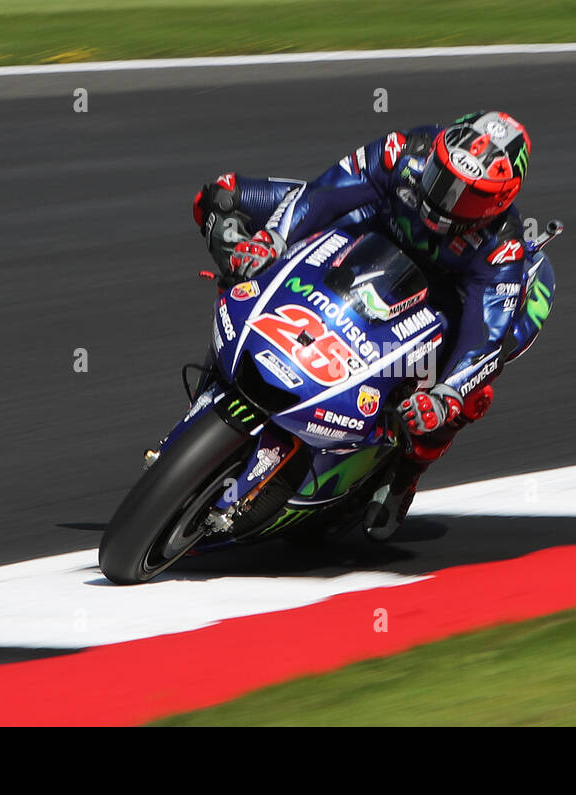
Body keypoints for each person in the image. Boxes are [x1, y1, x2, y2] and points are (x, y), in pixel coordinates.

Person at [192, 110, 557, 540]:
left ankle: (407, 473)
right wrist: (270, 240)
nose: (446, 197)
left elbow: (486, 340)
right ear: (437, 151)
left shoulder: (502, 247)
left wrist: (445, 396)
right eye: (442, 177)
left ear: (498, 202)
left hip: (442, 297)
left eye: (468, 196)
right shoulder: (402, 153)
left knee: (469, 395)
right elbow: (327, 192)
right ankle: (237, 334)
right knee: (220, 197)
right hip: (371, 230)